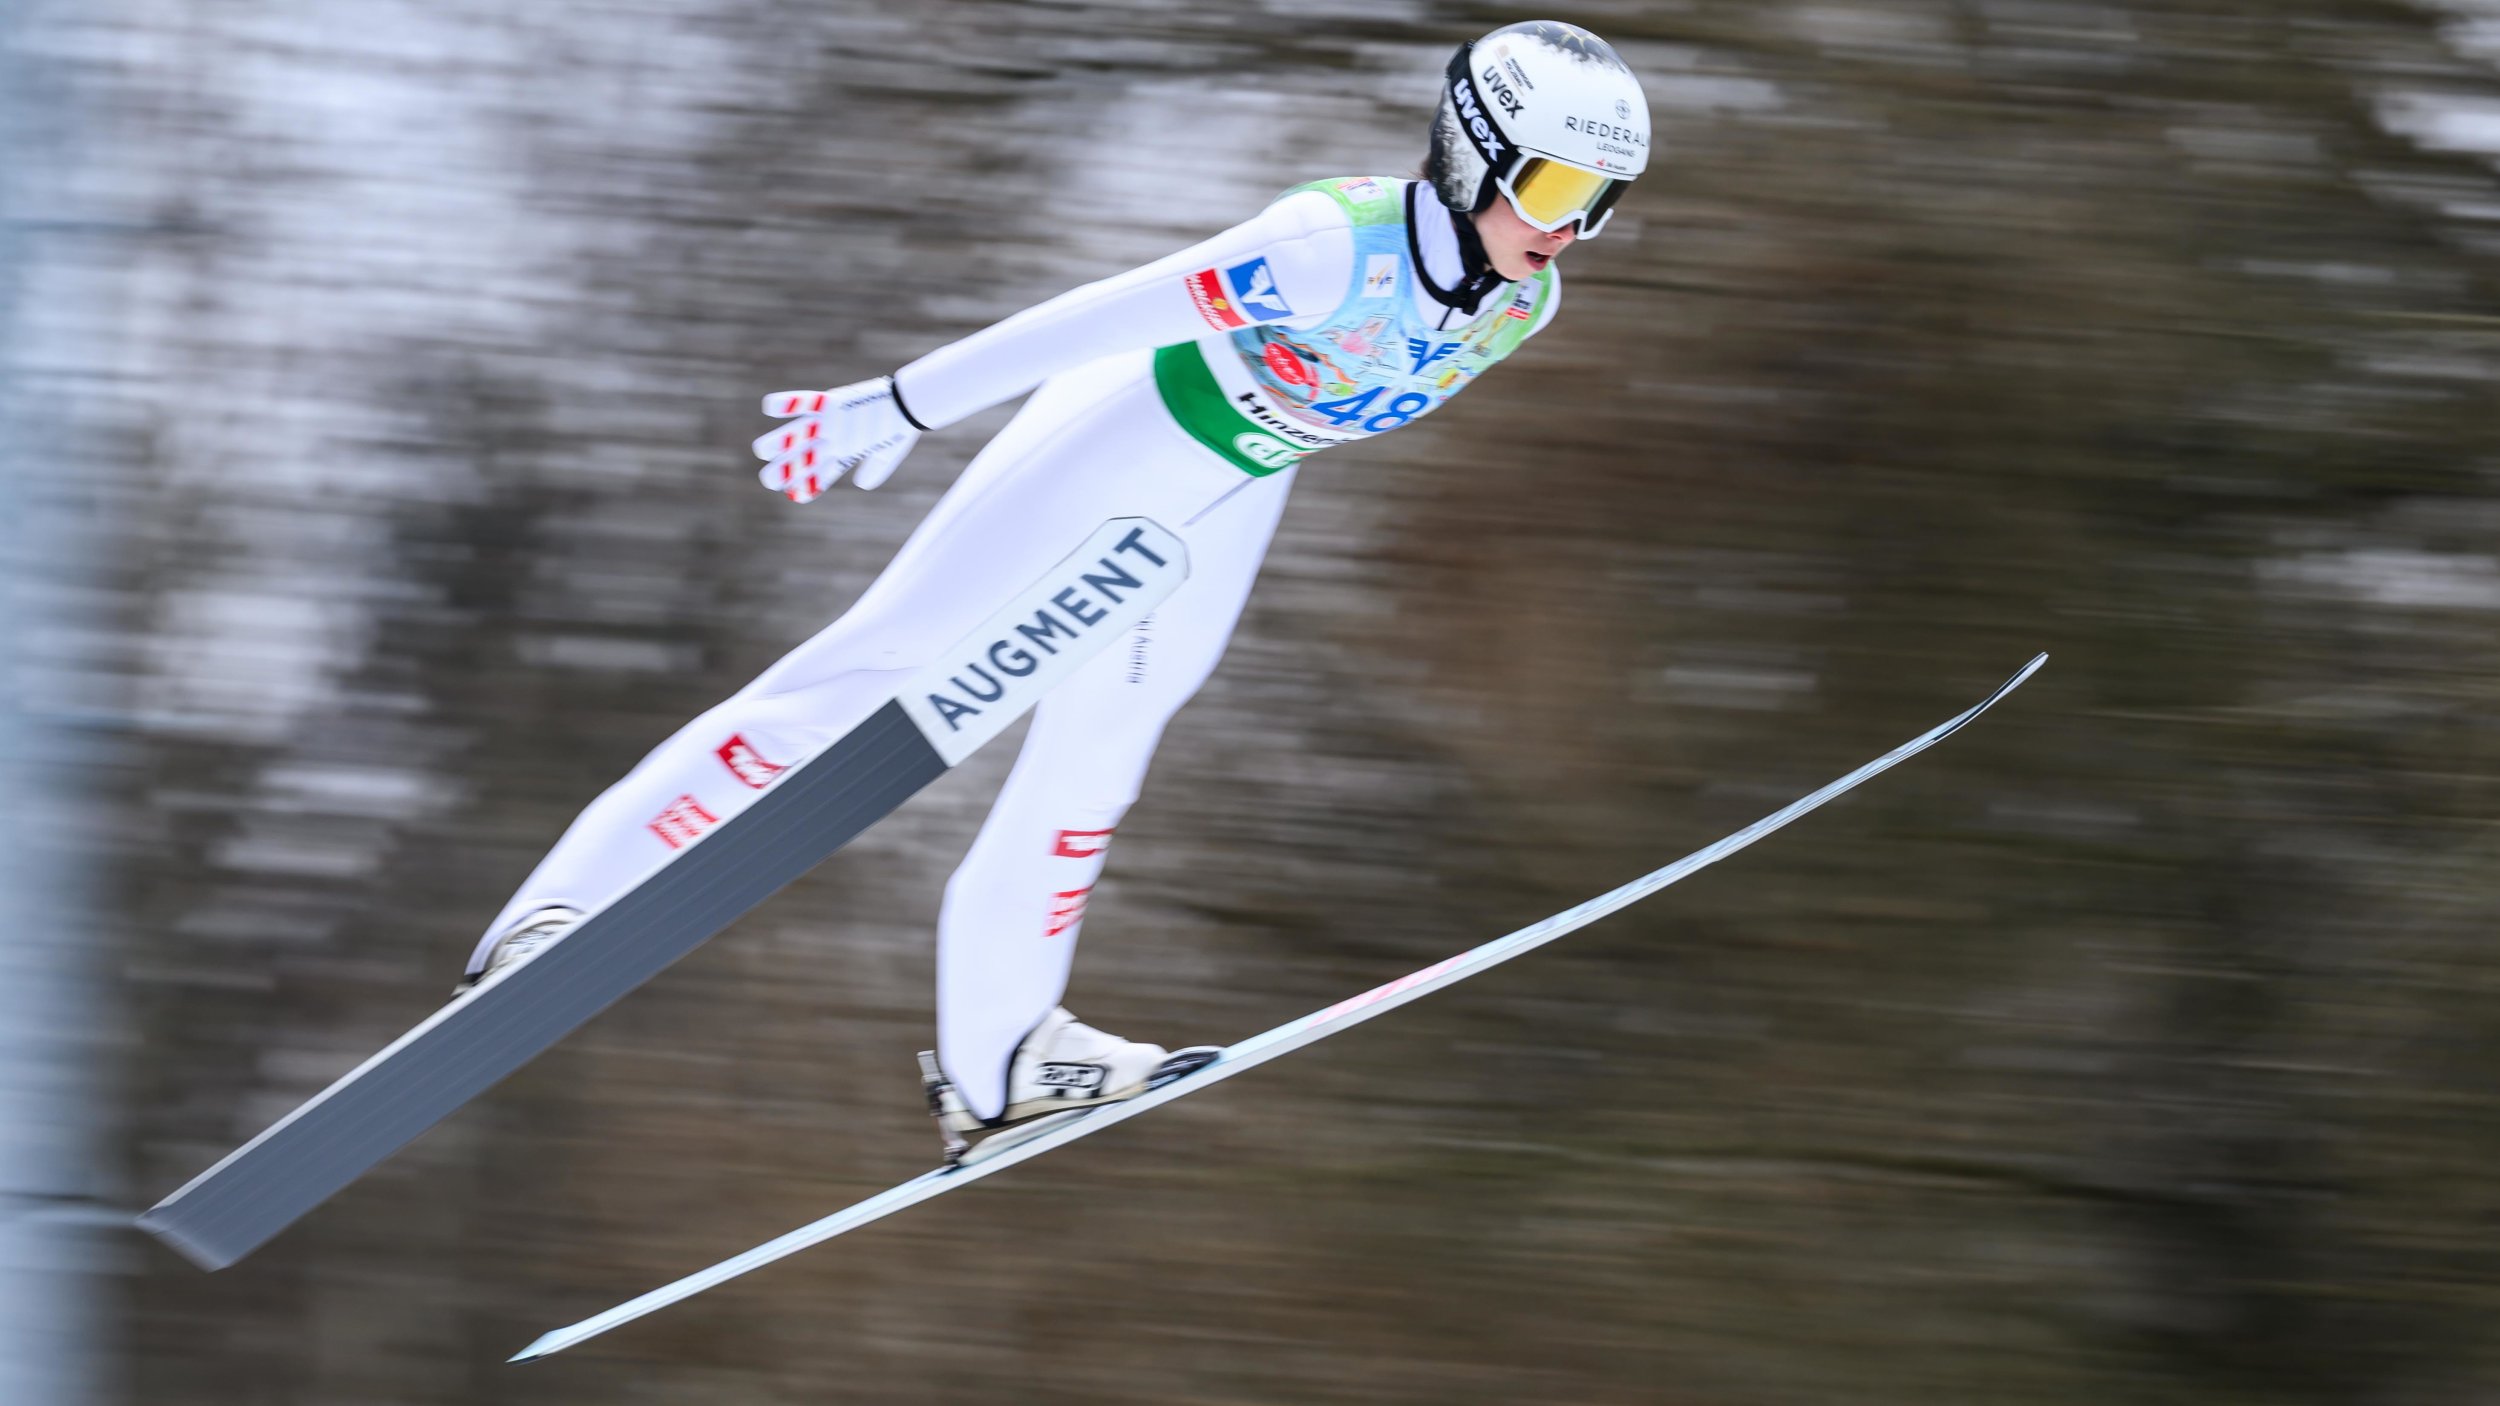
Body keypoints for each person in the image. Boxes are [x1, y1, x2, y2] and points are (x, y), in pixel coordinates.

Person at [459, 20, 1651, 1140]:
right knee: (876, 672)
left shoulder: (1522, 304)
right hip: (1128, 429)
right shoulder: (1329, 247)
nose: (1570, 228)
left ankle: (1000, 1056)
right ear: (1471, 152)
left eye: (1600, 202)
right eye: (1554, 189)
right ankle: (562, 913)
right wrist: (902, 403)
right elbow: (1094, 318)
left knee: (1101, 754)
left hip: (1232, 491)